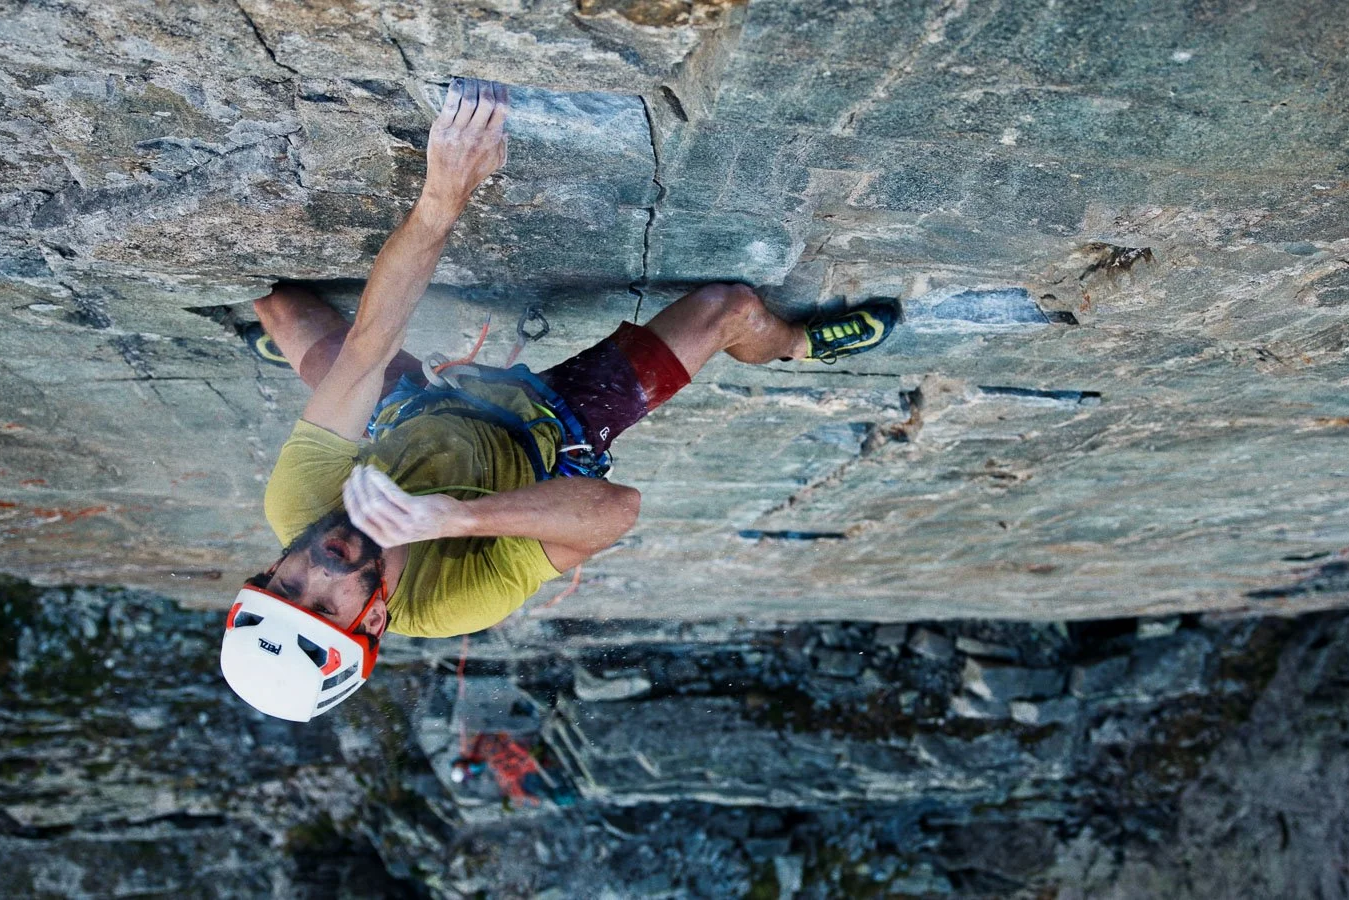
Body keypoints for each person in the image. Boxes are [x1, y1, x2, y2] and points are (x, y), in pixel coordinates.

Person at [219, 77, 900, 721]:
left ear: (269, 570)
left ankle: (314, 369)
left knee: (280, 307)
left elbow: (370, 348)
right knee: (733, 309)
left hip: (411, 410)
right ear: (371, 622)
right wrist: (455, 520)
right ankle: (792, 345)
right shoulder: (449, 604)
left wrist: (443, 195)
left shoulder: (295, 508)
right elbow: (614, 513)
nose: (315, 570)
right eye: (325, 606)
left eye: (285, 585)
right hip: (552, 433)